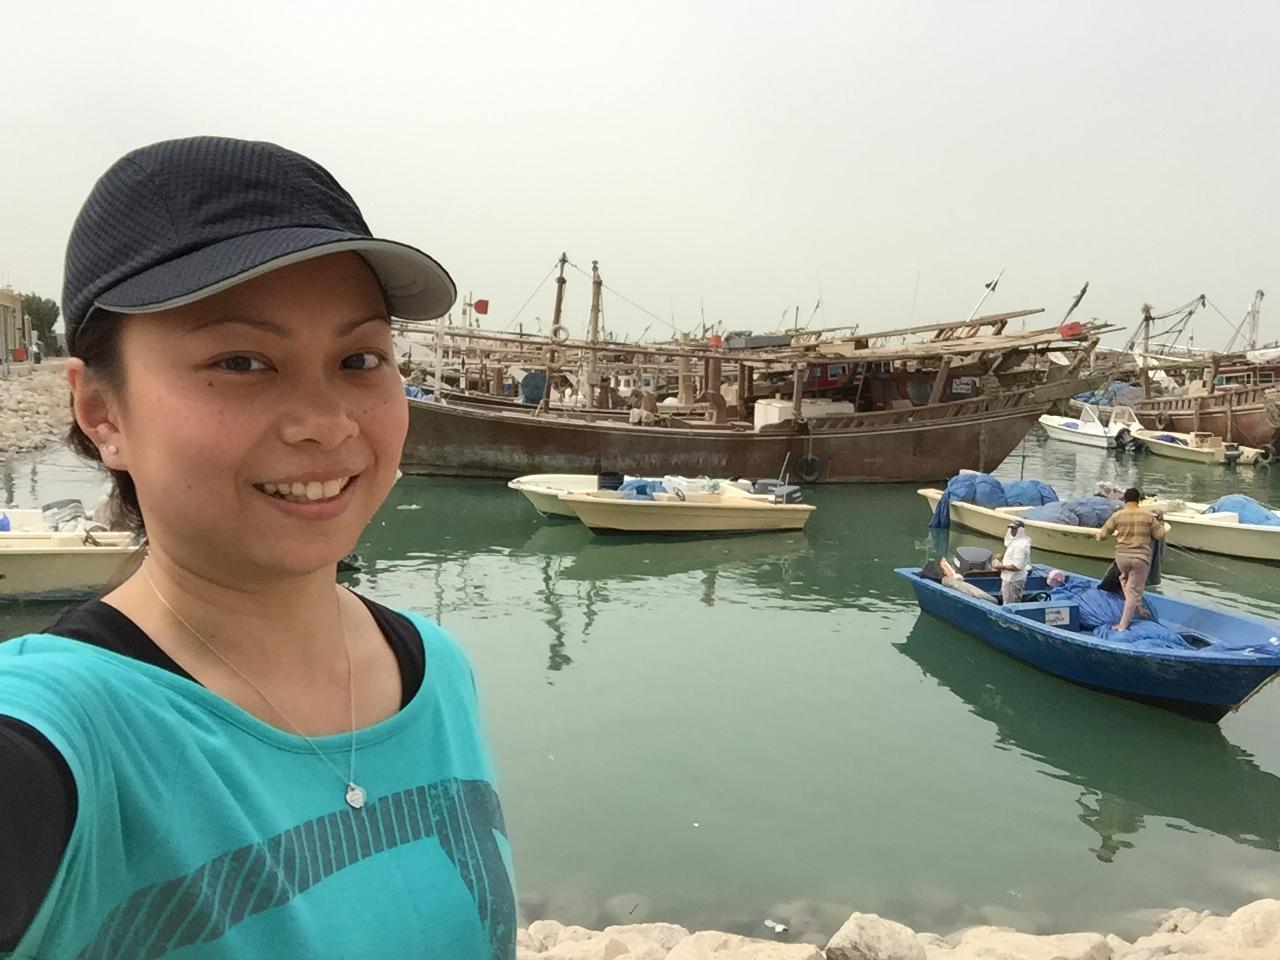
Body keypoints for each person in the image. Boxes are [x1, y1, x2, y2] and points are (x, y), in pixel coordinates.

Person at [0, 137, 515, 958]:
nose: (327, 423)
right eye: (242, 361)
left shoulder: (437, 671)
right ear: (101, 411)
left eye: (360, 358)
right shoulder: (60, 736)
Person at [1095, 486, 1166, 632]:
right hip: (1140, 559)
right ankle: (1123, 624)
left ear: (1125, 500)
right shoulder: (1148, 516)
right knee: (1134, 591)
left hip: (1122, 558)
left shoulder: (1117, 515)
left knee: (1124, 578)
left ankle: (1137, 606)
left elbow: (1102, 536)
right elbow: (1160, 535)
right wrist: (1161, 522)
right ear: (1138, 500)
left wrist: (1099, 535)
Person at [994, 518, 1032, 604]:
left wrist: (999, 566)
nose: (1012, 530)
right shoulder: (1016, 541)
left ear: (1020, 530)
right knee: (1007, 600)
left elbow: (1017, 566)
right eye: (1011, 528)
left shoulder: (1020, 545)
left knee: (1011, 604)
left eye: (1015, 529)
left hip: (1014, 580)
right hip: (1009, 578)